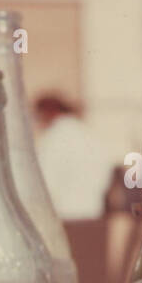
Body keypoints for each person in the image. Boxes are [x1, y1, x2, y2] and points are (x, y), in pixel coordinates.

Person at [33, 93, 111, 221]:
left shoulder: (53, 138)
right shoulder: (88, 134)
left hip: (63, 215)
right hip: (92, 212)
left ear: (46, 112)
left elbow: (45, 180)